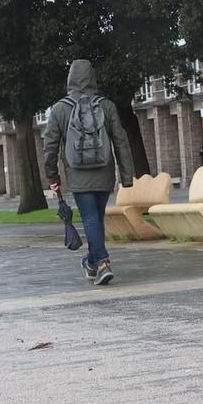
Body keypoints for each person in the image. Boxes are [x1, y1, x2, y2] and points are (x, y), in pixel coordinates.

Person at [41, 58, 136, 286]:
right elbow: (121, 141)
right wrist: (126, 176)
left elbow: (50, 146)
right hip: (104, 173)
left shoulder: (60, 109)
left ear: (70, 79)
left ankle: (102, 262)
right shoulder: (107, 105)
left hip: (77, 175)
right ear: (92, 78)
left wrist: (52, 178)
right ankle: (92, 262)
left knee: (91, 218)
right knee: (96, 218)